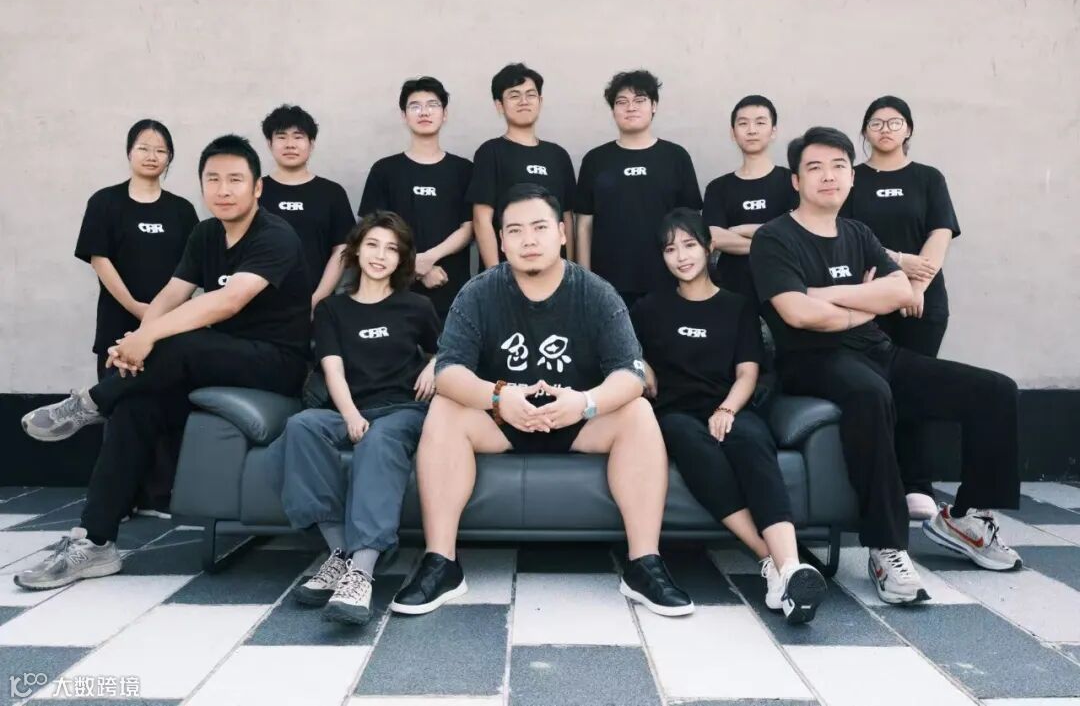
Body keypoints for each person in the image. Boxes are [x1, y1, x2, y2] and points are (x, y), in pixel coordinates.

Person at [18, 135, 311, 590]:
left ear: (257, 188)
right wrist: (137, 340)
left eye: (235, 179)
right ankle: (96, 543)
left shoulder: (275, 235)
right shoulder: (206, 233)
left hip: (276, 364)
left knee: (183, 341)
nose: (223, 189)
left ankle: (89, 403)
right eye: (213, 179)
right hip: (213, 360)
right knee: (135, 406)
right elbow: (172, 294)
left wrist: (149, 337)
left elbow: (227, 302)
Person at [390, 183, 692, 617]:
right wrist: (497, 397)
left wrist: (585, 403)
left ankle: (644, 563)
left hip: (577, 420)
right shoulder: (479, 292)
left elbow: (631, 373)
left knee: (638, 412)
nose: (528, 240)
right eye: (514, 230)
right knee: (445, 408)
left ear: (562, 233)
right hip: (502, 421)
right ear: (501, 240)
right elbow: (448, 370)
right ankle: (441, 562)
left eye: (539, 227)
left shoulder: (595, 292)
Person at [749, 126, 1021, 606]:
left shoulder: (858, 233)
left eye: (839, 166)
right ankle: (886, 546)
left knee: (995, 390)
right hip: (813, 360)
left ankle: (966, 519)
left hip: (879, 351)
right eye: (815, 167)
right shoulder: (774, 238)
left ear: (851, 177)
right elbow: (797, 313)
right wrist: (864, 302)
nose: (828, 176)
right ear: (795, 180)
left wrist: (832, 295)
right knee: (869, 394)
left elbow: (899, 291)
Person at [632, 208, 826, 624]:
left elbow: (747, 373)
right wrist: (641, 365)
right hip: (674, 412)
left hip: (729, 403)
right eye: (670, 249)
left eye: (689, 245)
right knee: (690, 439)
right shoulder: (649, 308)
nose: (681, 256)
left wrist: (726, 409)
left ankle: (789, 566)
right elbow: (625, 353)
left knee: (752, 440)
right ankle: (769, 559)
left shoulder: (737, 306)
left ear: (708, 247)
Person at [276, 211, 440, 624]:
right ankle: (340, 554)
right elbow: (332, 369)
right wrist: (349, 414)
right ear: (356, 251)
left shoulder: (417, 306)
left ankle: (362, 573)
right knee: (301, 425)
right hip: (352, 409)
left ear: (402, 258)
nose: (380, 256)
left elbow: (449, 348)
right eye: (372, 245)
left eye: (391, 249)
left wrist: (434, 364)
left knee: (378, 438)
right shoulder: (332, 309)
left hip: (403, 411)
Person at [841, 96, 961, 521]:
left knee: (916, 388)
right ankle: (878, 482)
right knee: (874, 391)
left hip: (921, 302)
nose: (885, 129)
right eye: (876, 123)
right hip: (867, 298)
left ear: (908, 129)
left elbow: (940, 234)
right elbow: (844, 233)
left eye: (894, 122)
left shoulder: (928, 178)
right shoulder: (850, 178)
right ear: (865, 131)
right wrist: (897, 265)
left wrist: (915, 286)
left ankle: (917, 483)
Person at [75, 119, 198, 516]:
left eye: (160, 150)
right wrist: (136, 307)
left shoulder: (181, 210)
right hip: (119, 323)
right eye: (144, 148)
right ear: (129, 152)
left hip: (169, 327)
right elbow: (100, 259)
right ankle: (119, 500)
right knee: (117, 407)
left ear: (170, 158)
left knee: (163, 406)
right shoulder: (105, 202)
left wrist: (161, 316)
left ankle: (158, 495)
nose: (151, 156)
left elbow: (193, 268)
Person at [576, 70, 702, 309]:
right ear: (613, 110)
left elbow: (692, 223)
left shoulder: (676, 157)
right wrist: (586, 280)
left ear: (654, 106)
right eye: (622, 102)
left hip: (668, 278)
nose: (630, 107)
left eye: (639, 100)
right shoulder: (595, 160)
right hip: (608, 283)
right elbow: (584, 225)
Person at [359, 77, 472, 320]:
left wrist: (428, 259)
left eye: (432, 105)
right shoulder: (384, 170)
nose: (424, 112)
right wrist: (415, 266)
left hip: (451, 290)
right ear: (404, 115)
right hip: (393, 291)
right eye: (415, 106)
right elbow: (371, 231)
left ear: (445, 114)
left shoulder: (464, 170)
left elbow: (469, 227)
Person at [467, 63, 576, 268]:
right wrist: (495, 275)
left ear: (540, 101)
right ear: (499, 105)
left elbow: (567, 218)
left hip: (555, 273)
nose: (524, 101)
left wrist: (570, 269)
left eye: (530, 95)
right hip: (508, 271)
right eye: (514, 95)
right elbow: (482, 219)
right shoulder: (490, 152)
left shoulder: (558, 155)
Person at [702, 95, 797, 306]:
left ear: (773, 131)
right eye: (743, 123)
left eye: (760, 123)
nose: (752, 130)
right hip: (734, 287)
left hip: (787, 285)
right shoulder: (718, 187)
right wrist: (773, 243)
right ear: (732, 133)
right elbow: (714, 236)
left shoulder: (793, 181)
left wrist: (739, 230)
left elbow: (797, 232)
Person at [258, 104, 355, 308]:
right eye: (281, 137)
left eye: (298, 137)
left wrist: (317, 299)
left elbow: (342, 250)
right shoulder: (254, 191)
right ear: (269, 143)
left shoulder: (332, 192)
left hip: (318, 304)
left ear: (311, 144)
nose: (290, 144)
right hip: (260, 304)